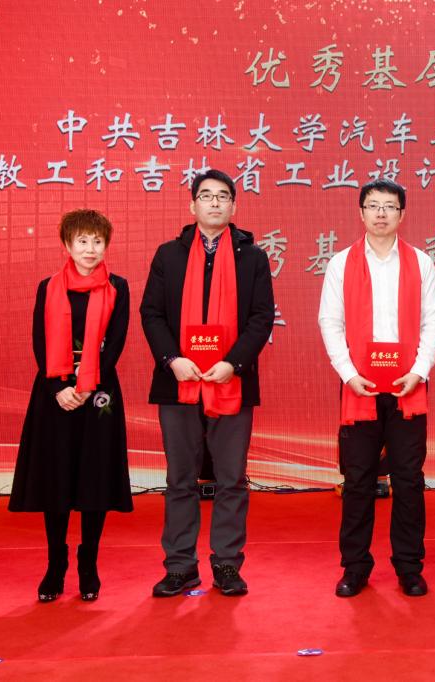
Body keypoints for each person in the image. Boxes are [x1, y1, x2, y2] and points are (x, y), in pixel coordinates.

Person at [140, 169, 274, 597]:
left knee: (232, 479)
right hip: (178, 382)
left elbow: (261, 318)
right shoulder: (168, 255)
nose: (214, 203)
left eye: (222, 196)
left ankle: (227, 564)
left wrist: (233, 363)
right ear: (192, 205)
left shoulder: (253, 258)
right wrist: (172, 360)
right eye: (206, 196)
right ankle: (180, 565)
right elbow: (151, 314)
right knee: (180, 479)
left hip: (231, 380)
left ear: (233, 206)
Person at [318, 179, 435, 598]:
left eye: (390, 206)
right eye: (373, 206)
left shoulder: (421, 262)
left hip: (409, 386)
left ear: (402, 214)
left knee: (408, 479)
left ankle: (409, 566)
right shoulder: (341, 263)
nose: (381, 213)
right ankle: (355, 566)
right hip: (360, 386)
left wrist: (419, 371)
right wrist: (348, 373)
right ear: (361, 213)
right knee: (358, 480)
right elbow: (330, 322)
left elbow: (433, 321)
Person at [9, 209, 132, 602]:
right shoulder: (47, 287)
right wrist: (59, 387)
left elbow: (115, 344)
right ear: (67, 244)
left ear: (106, 245)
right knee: (57, 478)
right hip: (54, 393)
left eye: (97, 241)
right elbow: (39, 341)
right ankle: (55, 563)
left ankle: (88, 561)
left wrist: (86, 385)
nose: (90, 249)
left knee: (95, 477)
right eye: (82, 241)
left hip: (99, 393)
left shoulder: (118, 287)